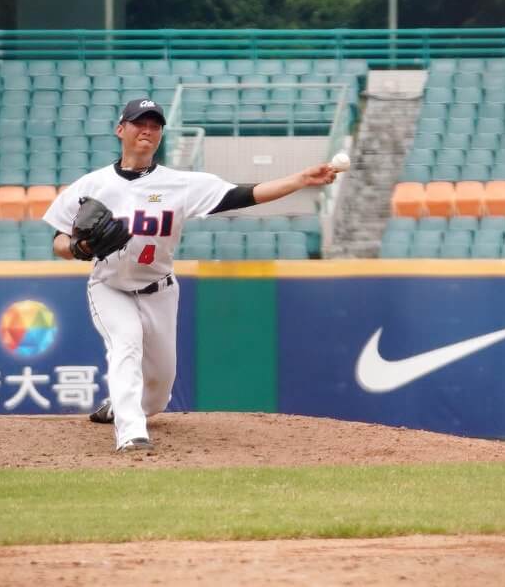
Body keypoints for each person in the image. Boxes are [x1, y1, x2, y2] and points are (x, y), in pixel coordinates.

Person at [44, 95, 344, 452]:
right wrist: (79, 249)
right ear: (120, 129)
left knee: (159, 390)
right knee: (125, 343)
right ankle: (131, 434)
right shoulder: (91, 185)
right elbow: (59, 241)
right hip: (110, 286)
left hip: (160, 289)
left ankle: (124, 410)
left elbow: (243, 195)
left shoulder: (180, 184)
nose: (148, 130)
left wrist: (299, 179)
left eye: (155, 125)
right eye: (140, 123)